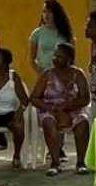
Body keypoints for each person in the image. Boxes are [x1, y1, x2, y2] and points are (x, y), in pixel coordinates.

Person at [30, 42, 92, 176]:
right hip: (51, 109)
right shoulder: (47, 74)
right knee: (48, 122)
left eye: (59, 57)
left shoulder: (78, 74)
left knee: (83, 121)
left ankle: (81, 162)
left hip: (73, 109)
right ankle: (55, 163)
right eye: (54, 56)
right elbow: (34, 97)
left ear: (69, 59)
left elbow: (85, 98)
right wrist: (50, 108)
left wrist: (67, 107)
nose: (55, 59)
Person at [28, 0, 73, 75]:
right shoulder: (37, 33)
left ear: (56, 14)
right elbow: (32, 59)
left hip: (63, 74)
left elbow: (72, 58)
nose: (46, 15)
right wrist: (41, 71)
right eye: (44, 12)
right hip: (45, 74)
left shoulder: (65, 33)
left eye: (49, 12)